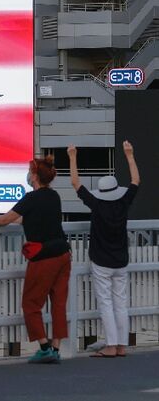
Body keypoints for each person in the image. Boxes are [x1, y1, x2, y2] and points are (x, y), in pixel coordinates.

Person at [0, 156, 71, 364]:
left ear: (35, 176)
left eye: (30, 172)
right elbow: (34, 218)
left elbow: (5, 220)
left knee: (31, 303)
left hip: (44, 257)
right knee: (58, 302)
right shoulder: (54, 196)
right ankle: (56, 348)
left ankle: (44, 346)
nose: (28, 175)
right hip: (63, 254)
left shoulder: (31, 198)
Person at [68, 141, 140, 358]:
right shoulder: (124, 201)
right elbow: (136, 180)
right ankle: (121, 346)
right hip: (121, 259)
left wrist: (73, 157)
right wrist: (129, 155)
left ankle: (110, 345)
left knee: (106, 302)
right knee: (121, 302)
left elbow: (75, 183)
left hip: (101, 259)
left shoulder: (96, 203)